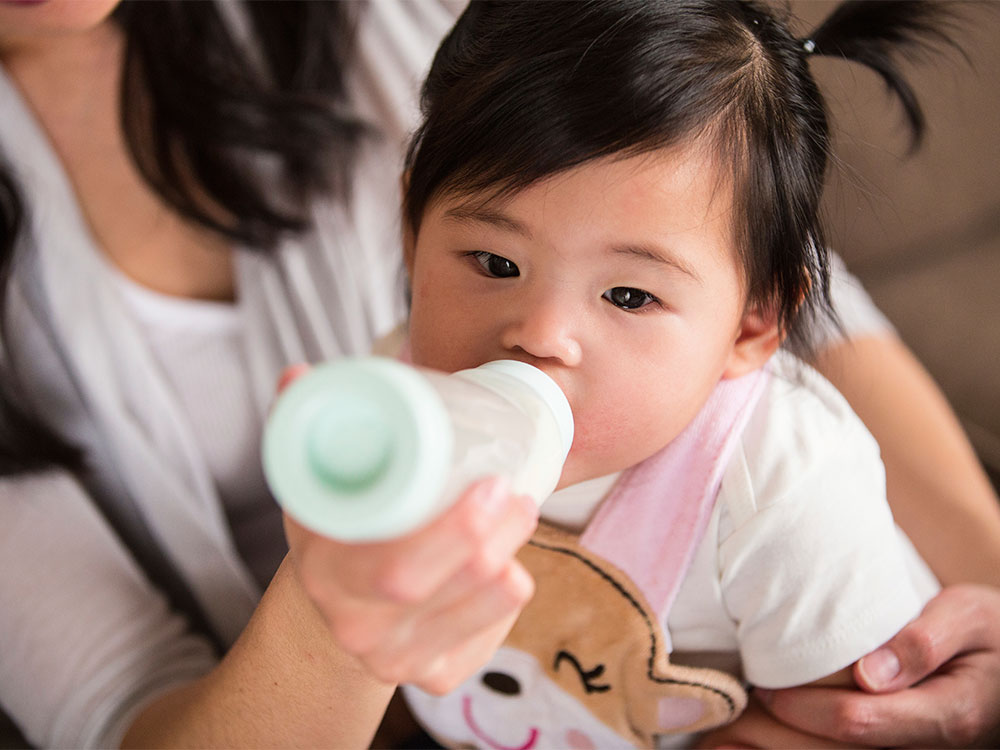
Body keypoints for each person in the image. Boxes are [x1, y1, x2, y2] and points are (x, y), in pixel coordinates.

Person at [0, 0, 998, 748]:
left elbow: (864, 707)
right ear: (410, 230)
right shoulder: (394, 383)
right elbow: (117, 708)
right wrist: (333, 620)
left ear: (751, 326)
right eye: (492, 265)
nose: (538, 335)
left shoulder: (779, 486)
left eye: (626, 298)